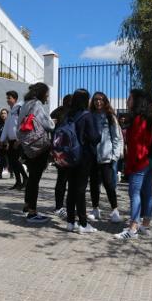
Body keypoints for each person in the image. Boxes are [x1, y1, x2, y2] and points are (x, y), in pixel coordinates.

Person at [115, 89, 152, 240]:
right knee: (147, 193)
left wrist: (132, 166)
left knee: (135, 193)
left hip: (139, 163)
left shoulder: (139, 119)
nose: (127, 101)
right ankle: (144, 225)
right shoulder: (146, 118)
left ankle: (133, 228)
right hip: (146, 162)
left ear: (136, 101)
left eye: (130, 98)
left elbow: (138, 146)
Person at [18, 82, 55, 223]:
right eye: (46, 93)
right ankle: (32, 213)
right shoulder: (37, 104)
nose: (47, 96)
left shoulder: (25, 104)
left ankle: (27, 206)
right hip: (38, 146)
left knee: (31, 176)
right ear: (40, 93)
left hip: (27, 145)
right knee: (35, 179)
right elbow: (47, 124)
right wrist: (53, 123)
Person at [65, 88, 100, 233]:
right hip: (84, 156)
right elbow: (94, 137)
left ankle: (70, 222)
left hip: (69, 156)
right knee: (80, 189)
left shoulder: (68, 115)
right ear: (85, 100)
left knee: (71, 189)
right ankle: (84, 224)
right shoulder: (87, 116)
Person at [88, 92, 123, 223]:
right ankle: (95, 209)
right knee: (93, 184)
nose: (98, 102)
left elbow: (117, 138)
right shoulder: (90, 115)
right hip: (93, 156)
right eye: (96, 100)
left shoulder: (110, 117)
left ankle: (115, 210)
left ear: (105, 101)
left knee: (109, 184)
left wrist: (115, 156)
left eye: (101, 100)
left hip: (107, 156)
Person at [0, 90, 28, 190]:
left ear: (15, 99)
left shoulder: (19, 109)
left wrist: (19, 139)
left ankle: (25, 179)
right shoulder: (11, 111)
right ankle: (18, 182)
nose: (7, 100)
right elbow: (7, 126)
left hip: (18, 140)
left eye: (9, 98)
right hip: (11, 141)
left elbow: (23, 124)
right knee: (12, 162)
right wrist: (3, 139)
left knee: (16, 161)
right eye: (7, 98)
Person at [51, 94, 72, 219]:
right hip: (71, 150)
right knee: (71, 180)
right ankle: (68, 206)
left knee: (61, 179)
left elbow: (49, 125)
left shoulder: (57, 111)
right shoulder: (74, 113)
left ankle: (58, 206)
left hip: (59, 150)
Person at [0, 108, 9, 179]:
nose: (3, 115)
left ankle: (9, 172)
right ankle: (0, 173)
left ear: (7, 114)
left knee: (7, 157)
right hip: (0, 143)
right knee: (0, 158)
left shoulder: (9, 122)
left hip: (8, 143)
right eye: (2, 113)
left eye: (5, 113)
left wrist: (8, 143)